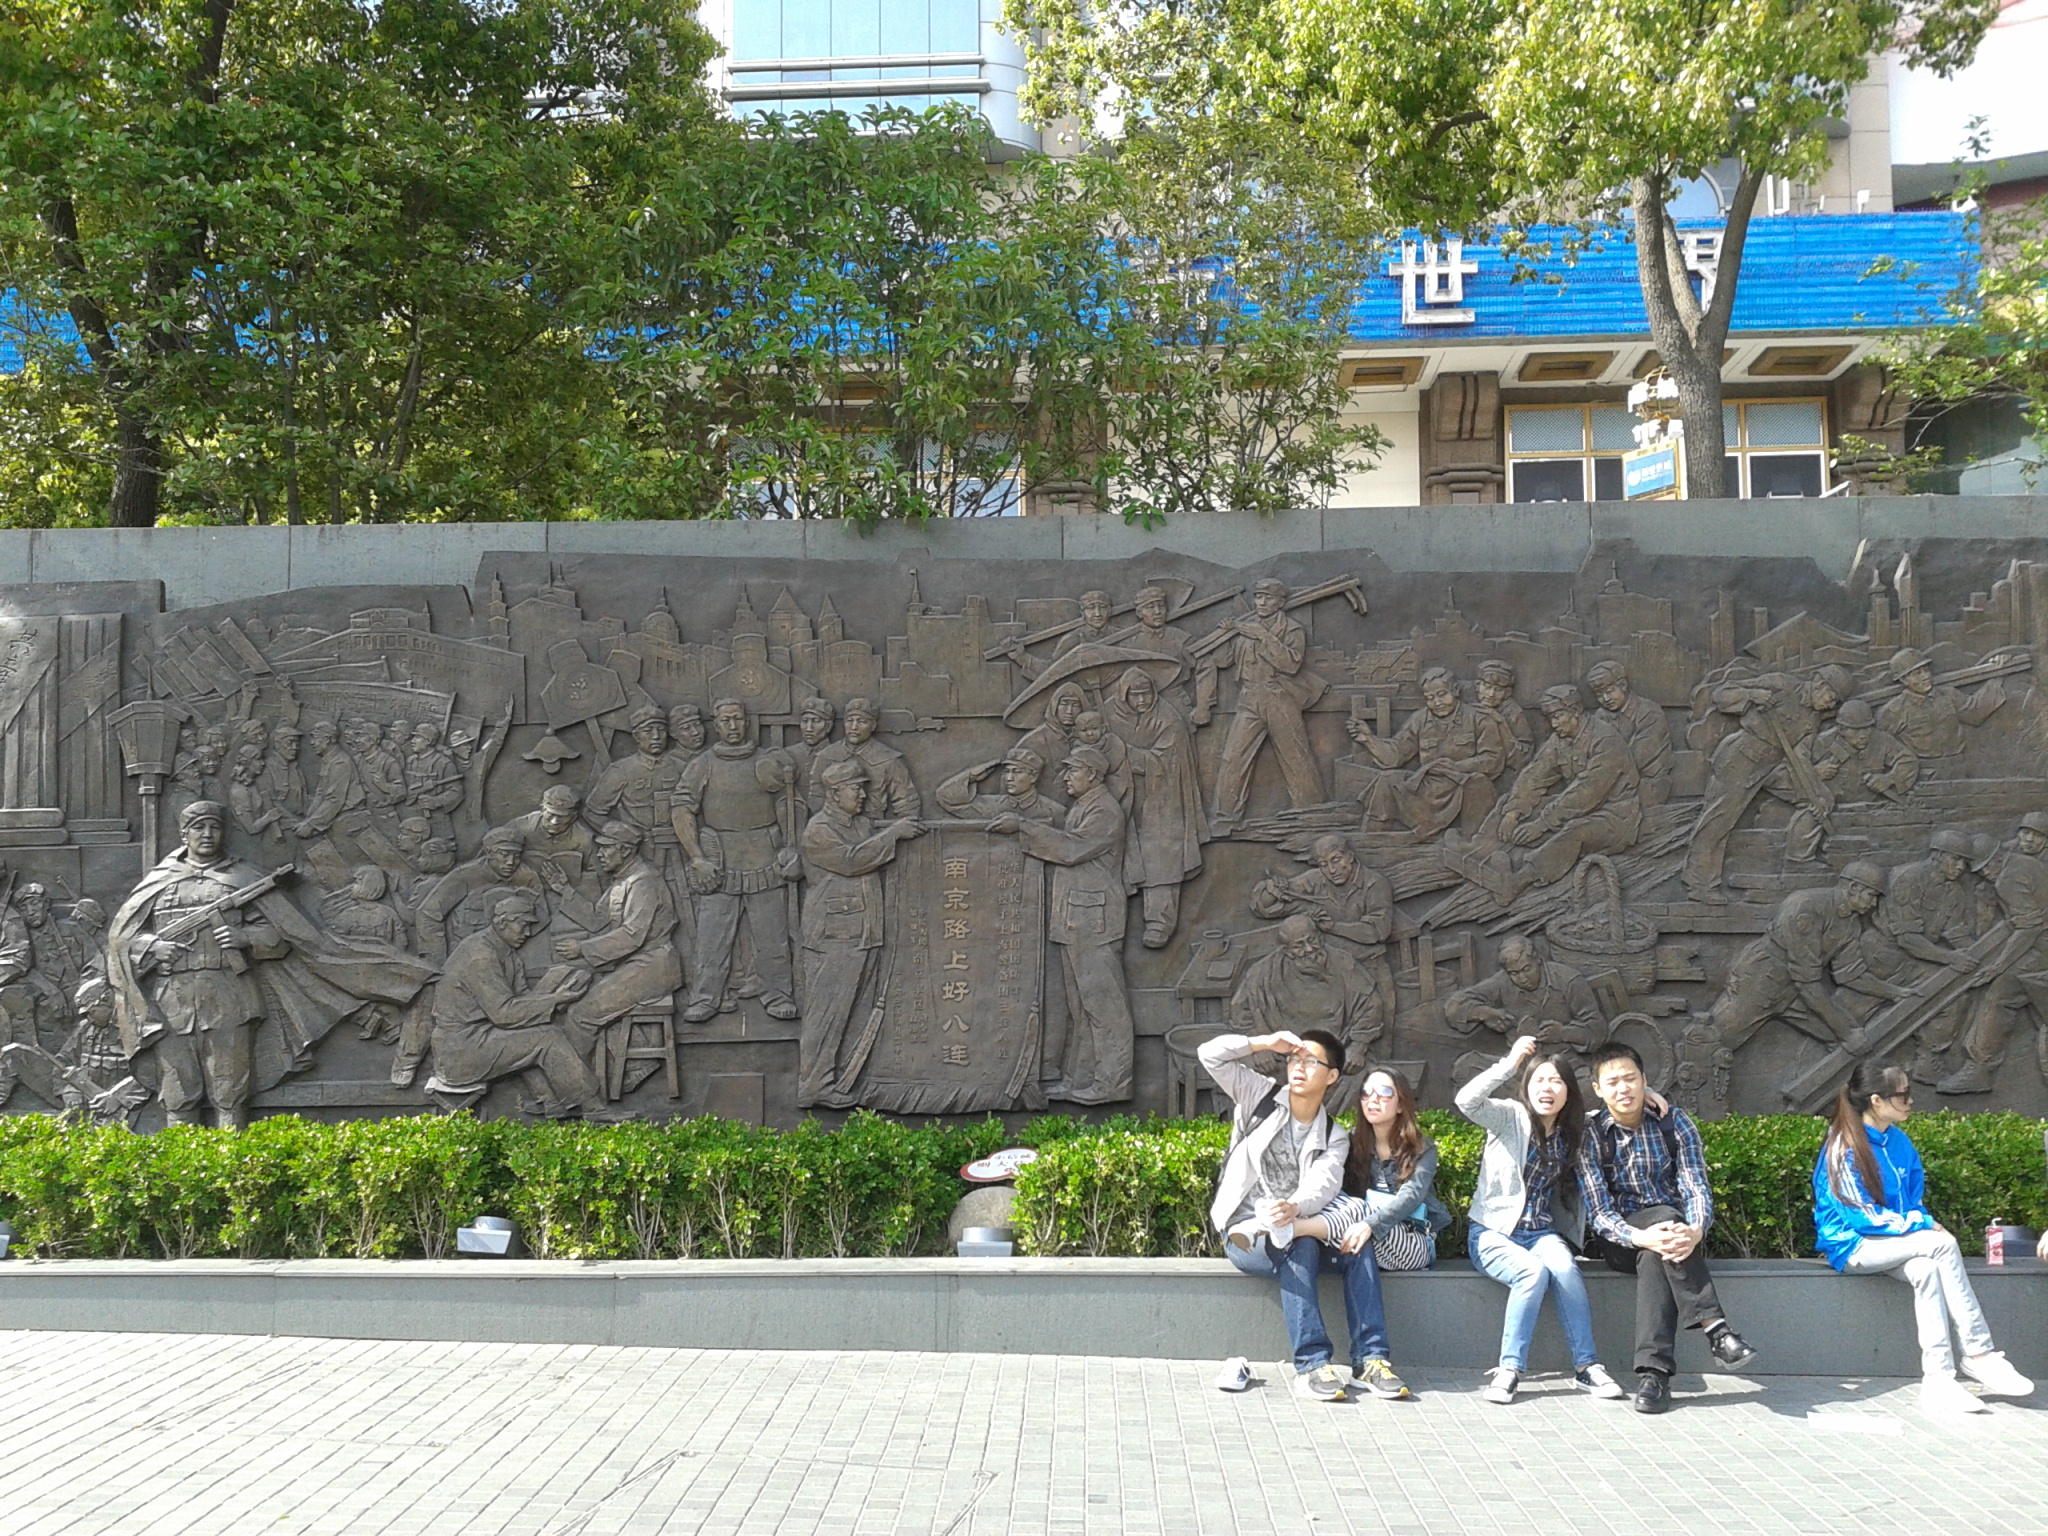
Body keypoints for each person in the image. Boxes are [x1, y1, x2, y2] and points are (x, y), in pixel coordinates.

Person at [1199, 1027, 1409, 1402]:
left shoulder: (1333, 1134)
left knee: (1355, 1245)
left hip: (1298, 1223)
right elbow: (1209, 1055)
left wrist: (1293, 1208)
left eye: (1311, 1062)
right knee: (1303, 1245)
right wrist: (1263, 1042)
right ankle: (1311, 1365)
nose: (1298, 1067)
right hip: (1247, 1235)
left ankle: (1371, 1360)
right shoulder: (1257, 1095)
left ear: (1331, 1077)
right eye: (1295, 1059)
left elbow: (1324, 1185)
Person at [1813, 1060, 2035, 1413]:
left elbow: (1912, 1201)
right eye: (1903, 1094)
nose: (1911, 1101)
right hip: (1852, 1246)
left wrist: (1918, 1221)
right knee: (1942, 1244)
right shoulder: (1842, 1146)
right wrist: (1921, 1225)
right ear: (1876, 1100)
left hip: (1892, 1245)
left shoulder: (1898, 1142)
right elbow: (1860, 1216)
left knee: (1926, 1270)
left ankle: (1938, 1379)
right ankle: (1979, 1352)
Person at [1578, 1041, 1758, 1412]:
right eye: (1612, 1082)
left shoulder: (1675, 1123)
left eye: (1630, 1079)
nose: (1623, 1088)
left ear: (1645, 1079)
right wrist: (1640, 1235)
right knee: (1661, 1225)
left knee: (1657, 1251)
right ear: (1597, 1089)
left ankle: (1653, 1377)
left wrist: (1695, 1229)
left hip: (1676, 1242)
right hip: (1621, 1239)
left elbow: (1695, 1186)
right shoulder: (1591, 1134)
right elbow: (1599, 1212)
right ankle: (1716, 1329)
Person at [1457, 1037, 1628, 1405]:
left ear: (1568, 1091)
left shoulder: (1575, 1131)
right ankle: (1509, 1370)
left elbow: (1619, 1107)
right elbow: (1466, 1101)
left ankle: (1587, 1368)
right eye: (1538, 1080)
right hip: (1492, 1233)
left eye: (1555, 1081)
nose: (1546, 1088)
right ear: (1527, 1087)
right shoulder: (1508, 1117)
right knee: (1531, 1273)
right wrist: (1509, 1063)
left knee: (1565, 1270)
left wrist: (1654, 1096)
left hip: (1540, 1232)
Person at [1292, 1067, 1448, 1277]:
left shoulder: (1422, 1148)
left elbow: (1411, 1196)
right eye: (1366, 1092)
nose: (1373, 1099)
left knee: (1359, 1210)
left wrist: (1370, 1224)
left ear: (1400, 1104)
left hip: (1413, 1242)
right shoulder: (1353, 1143)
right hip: (1362, 1237)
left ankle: (1291, 1230)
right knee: (1337, 1203)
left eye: (1384, 1092)